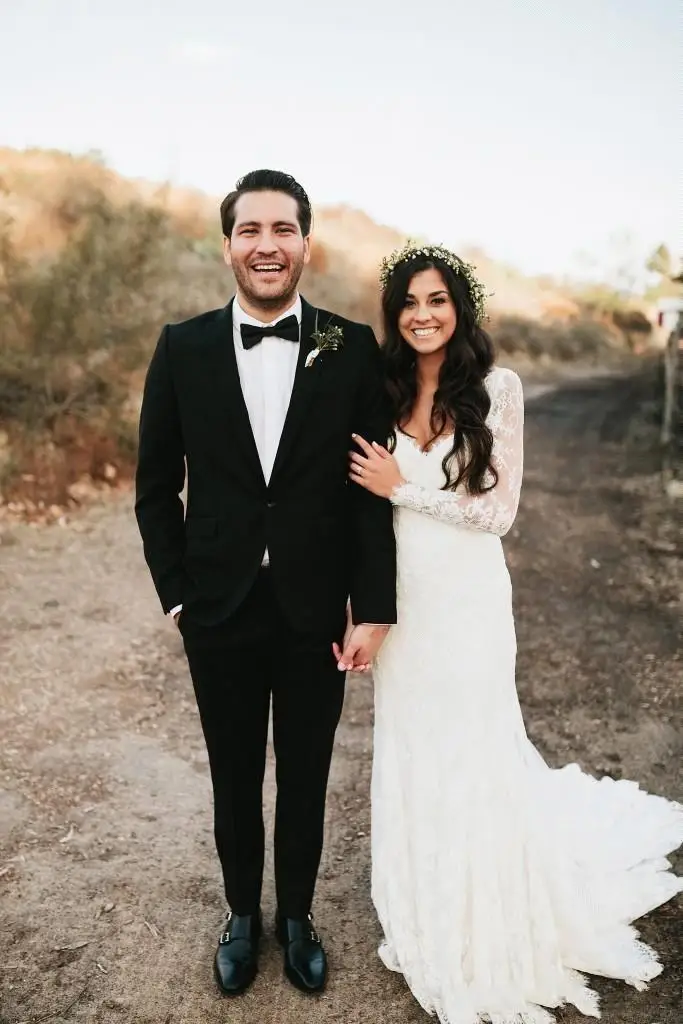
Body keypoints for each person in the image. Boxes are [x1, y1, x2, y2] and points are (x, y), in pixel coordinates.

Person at [350, 242, 683, 1024]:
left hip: (465, 601)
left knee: (473, 747)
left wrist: (407, 489)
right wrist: (359, 606)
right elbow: (358, 511)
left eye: (436, 301)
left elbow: (498, 514)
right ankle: (425, 900)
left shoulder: (497, 388)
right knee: (414, 749)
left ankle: (486, 914)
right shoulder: (381, 389)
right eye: (408, 304)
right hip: (402, 603)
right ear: (393, 316)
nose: (422, 315)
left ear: (459, 308)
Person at [134, 170, 396, 997]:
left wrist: (374, 608)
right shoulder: (182, 347)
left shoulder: (351, 348)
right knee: (234, 773)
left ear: (305, 245)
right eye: (251, 230)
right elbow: (152, 486)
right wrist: (178, 594)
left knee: (309, 774)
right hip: (218, 608)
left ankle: (297, 919)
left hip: (316, 611)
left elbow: (368, 494)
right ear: (228, 247)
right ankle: (242, 917)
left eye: (283, 229)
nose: (267, 245)